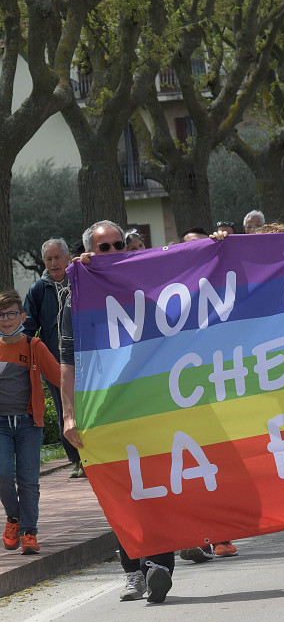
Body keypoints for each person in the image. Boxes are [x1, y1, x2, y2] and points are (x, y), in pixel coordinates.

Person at [62, 220, 177, 602]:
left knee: (158, 485)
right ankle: (133, 570)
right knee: (120, 492)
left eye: (118, 244)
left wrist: (218, 245)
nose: (113, 252)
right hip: (104, 409)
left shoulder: (149, 281)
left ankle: (159, 565)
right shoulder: (75, 294)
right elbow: (67, 361)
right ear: (91, 251)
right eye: (104, 247)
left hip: (152, 404)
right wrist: (68, 415)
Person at [0, 288, 60, 555]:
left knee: (28, 480)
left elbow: (59, 377)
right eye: (0, 315)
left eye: (11, 314)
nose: (6, 320)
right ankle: (14, 518)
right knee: (2, 474)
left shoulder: (33, 347)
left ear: (22, 317)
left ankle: (29, 532)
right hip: (1, 425)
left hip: (27, 424)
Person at [21, 238, 82, 477]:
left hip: (86, 358)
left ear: (68, 258)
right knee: (64, 411)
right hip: (55, 362)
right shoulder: (38, 290)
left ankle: (96, 457)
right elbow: (28, 327)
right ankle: (77, 461)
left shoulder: (80, 280)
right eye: (49, 259)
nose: (54, 263)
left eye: (58, 257)